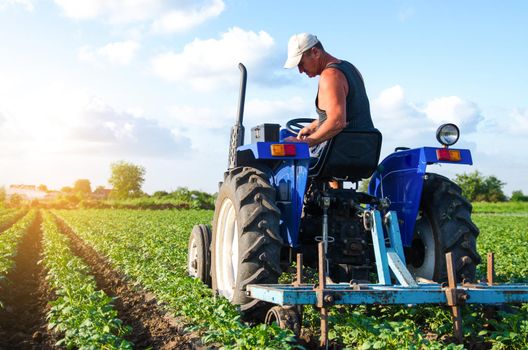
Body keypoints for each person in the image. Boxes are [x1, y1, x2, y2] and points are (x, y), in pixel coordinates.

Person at [283, 33, 374, 157]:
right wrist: (313, 126)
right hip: (365, 150)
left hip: (341, 154)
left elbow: (337, 122)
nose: (300, 70)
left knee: (283, 158)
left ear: (315, 52)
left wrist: (304, 143)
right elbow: (349, 112)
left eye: (301, 63)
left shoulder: (330, 76)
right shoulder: (351, 68)